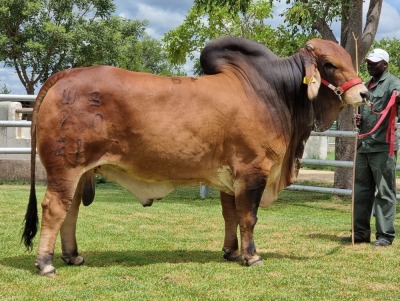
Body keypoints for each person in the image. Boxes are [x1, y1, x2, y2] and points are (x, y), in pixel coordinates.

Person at [341, 48, 400, 246]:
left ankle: (385, 236)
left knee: (384, 192)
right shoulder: (365, 86)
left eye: (374, 62)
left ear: (385, 64)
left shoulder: (393, 83)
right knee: (361, 191)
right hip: (364, 146)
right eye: (368, 62)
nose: (370, 65)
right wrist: (360, 119)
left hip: (383, 147)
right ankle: (360, 233)